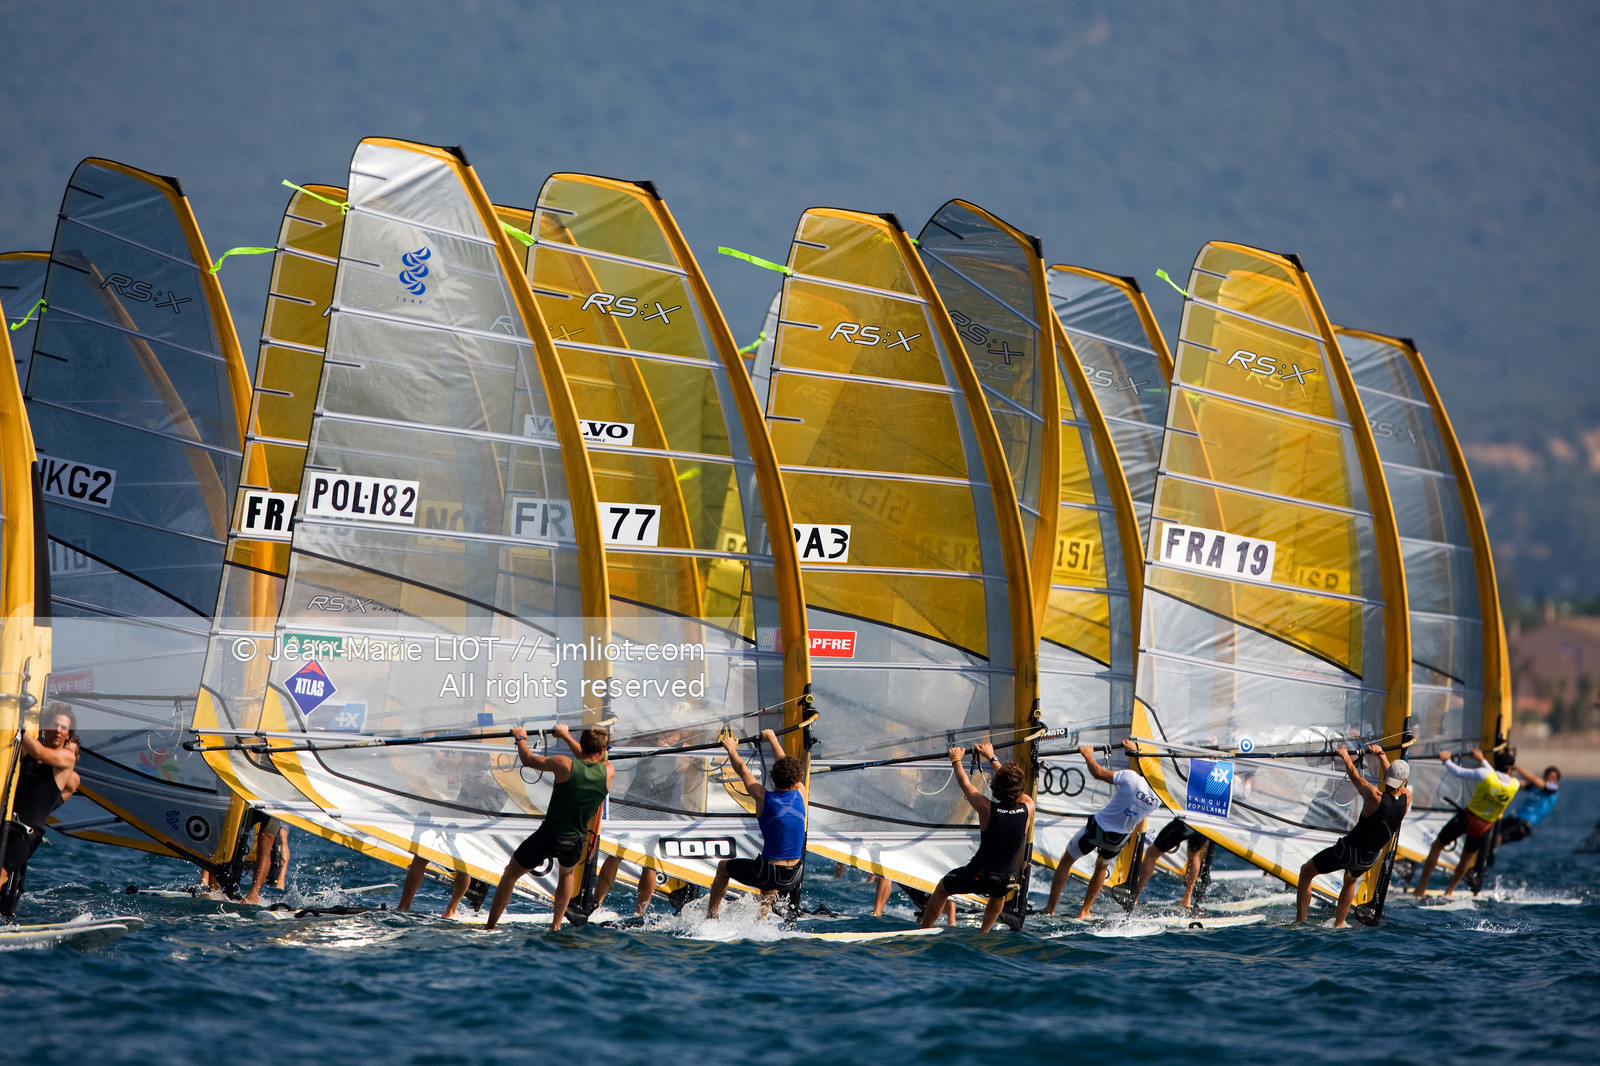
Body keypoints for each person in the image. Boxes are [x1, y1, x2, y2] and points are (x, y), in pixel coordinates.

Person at [484, 723, 613, 931]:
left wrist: (520, 738)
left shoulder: (564, 764)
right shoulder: (608, 772)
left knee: (510, 874)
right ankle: (555, 926)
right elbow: (591, 757)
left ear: (582, 744)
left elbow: (527, 759)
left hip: (548, 835)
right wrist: (567, 736)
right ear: (603, 750)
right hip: (574, 840)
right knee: (566, 875)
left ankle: (490, 926)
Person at [919, 741, 1033, 933]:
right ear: (1019, 789)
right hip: (1007, 878)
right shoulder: (1027, 806)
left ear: (996, 786)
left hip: (979, 874)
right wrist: (992, 757)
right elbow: (1011, 784)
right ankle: (984, 933)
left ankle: (923, 929)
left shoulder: (987, 808)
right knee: (998, 896)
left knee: (942, 889)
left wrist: (956, 759)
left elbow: (966, 784)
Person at [1044, 738, 1163, 918]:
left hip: (1096, 829)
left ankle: (1050, 909)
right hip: (1118, 838)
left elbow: (1098, 773)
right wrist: (1137, 753)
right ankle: (1084, 911)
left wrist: (1088, 755)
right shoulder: (1158, 798)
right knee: (1101, 868)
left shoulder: (1130, 778)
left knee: (1067, 861)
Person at [1295, 745, 1411, 927]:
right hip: (1369, 859)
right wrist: (1381, 755)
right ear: (1405, 781)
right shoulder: (1407, 798)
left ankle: (1299, 922)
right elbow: (1396, 781)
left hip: (1348, 851)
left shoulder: (1374, 795)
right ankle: (1339, 923)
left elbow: (1355, 777)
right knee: (1350, 879)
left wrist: (1345, 757)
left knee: (1306, 872)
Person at [706, 729, 806, 920]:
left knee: (723, 867)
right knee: (769, 863)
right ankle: (761, 918)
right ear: (795, 780)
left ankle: (710, 917)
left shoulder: (763, 798)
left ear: (774, 776)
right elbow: (786, 765)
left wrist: (731, 749)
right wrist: (772, 739)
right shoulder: (800, 792)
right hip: (794, 875)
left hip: (769, 874)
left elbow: (743, 770)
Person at [1, 704, 81, 919]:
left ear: (68, 734)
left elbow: (39, 753)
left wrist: (13, 721)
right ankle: (6, 916)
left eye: (63, 727)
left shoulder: (67, 764)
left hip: (27, 832)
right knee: (9, 892)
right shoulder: (29, 750)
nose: (58, 730)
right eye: (54, 725)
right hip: (6, 823)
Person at [1412, 746, 1519, 899]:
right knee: (1466, 858)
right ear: (1510, 769)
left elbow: (1457, 772)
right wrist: (1482, 759)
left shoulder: (1486, 774)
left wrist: (1446, 760)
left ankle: (1421, 889)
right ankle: (1449, 892)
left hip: (1467, 818)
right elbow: (1496, 775)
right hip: (1483, 826)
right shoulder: (1515, 784)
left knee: (1437, 846)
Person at [1129, 817, 1210, 909]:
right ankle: (1187, 899)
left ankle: (1135, 897)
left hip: (1186, 822)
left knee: (1151, 853)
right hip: (1205, 824)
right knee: (1194, 855)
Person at [1498, 765, 1561, 845]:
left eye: (1553, 777)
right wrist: (1501, 776)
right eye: (1548, 776)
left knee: (1499, 837)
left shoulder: (1553, 789)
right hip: (1514, 817)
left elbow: (1532, 778)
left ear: (1557, 780)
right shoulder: (1535, 787)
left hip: (1525, 824)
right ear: (1544, 776)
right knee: (1491, 828)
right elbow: (1515, 783)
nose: (1550, 779)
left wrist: (1516, 766)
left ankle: (1487, 853)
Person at [242, 816, 290, 904]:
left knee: (282, 835)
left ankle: (279, 880)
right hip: (248, 805)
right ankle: (211, 885)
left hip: (272, 807)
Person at [872, 874, 954, 925]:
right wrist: (876, 914)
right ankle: (877, 912)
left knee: (944, 885)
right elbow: (885, 875)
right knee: (886, 873)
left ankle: (951, 921)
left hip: (935, 895)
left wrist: (951, 920)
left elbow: (947, 885)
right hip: (919, 897)